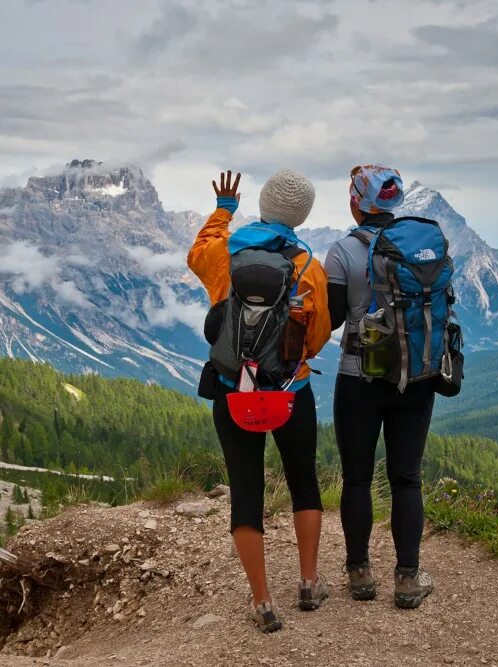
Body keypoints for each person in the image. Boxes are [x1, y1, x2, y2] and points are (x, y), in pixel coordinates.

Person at [187, 169, 332, 632]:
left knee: (246, 495)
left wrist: (223, 211)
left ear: (263, 205)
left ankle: (263, 601)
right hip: (291, 393)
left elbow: (196, 253)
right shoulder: (309, 266)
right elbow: (318, 336)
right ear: (302, 217)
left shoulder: (224, 255)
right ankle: (309, 583)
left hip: (233, 395)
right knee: (303, 483)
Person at [324, 164, 437, 609]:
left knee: (357, 478)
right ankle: (408, 579)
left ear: (357, 203)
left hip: (358, 377)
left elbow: (332, 319)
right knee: (407, 479)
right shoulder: (424, 248)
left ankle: (359, 574)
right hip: (417, 376)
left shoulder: (342, 252)